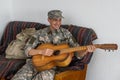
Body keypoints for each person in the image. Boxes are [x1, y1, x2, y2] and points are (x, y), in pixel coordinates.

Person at [11, 10, 96, 80]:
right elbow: (27, 50)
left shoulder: (66, 34)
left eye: (59, 20)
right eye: (55, 20)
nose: (58, 23)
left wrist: (85, 51)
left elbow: (77, 52)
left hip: (51, 67)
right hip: (34, 63)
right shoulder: (39, 33)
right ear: (49, 20)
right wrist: (41, 51)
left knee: (45, 77)